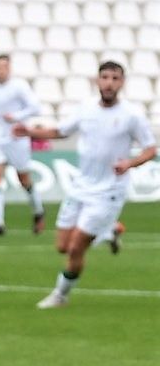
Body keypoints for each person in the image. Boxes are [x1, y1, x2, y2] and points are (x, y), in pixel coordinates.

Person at [15, 61, 155, 308]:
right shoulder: (86, 108)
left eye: (114, 78)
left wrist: (130, 163)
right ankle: (110, 230)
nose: (109, 83)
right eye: (105, 77)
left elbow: (150, 149)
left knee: (76, 248)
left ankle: (60, 295)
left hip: (109, 191)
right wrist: (29, 132)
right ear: (97, 80)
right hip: (81, 186)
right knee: (62, 246)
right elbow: (61, 131)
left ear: (121, 83)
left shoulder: (131, 115)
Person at [0, 54, 45, 236]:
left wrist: (16, 117)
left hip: (17, 138)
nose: (0, 70)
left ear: (9, 68)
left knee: (23, 180)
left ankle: (38, 211)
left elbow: (36, 108)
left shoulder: (19, 87)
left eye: (4, 67)